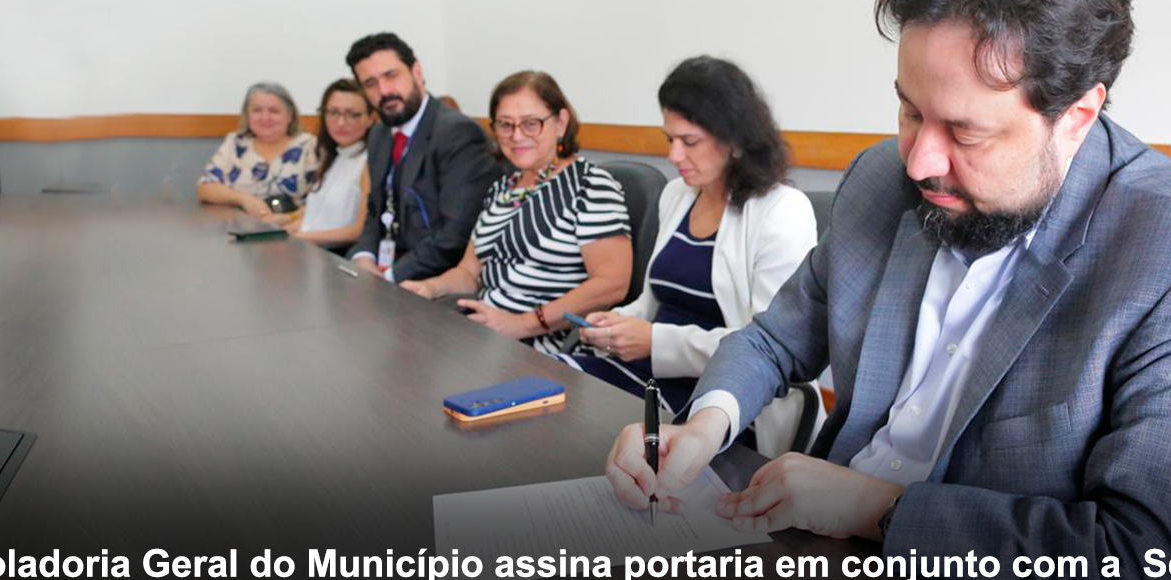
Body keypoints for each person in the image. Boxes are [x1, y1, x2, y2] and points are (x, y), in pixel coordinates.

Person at [605, 0, 1171, 580]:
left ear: (1077, 115)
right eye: (907, 111)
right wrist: (704, 425)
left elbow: (1152, 565)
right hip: (823, 565)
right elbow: (776, 339)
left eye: (965, 131)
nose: (919, 160)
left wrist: (876, 508)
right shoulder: (879, 178)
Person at [557, 57, 817, 456]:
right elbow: (652, 301)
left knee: (583, 428)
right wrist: (617, 323)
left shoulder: (782, 212)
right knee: (555, 387)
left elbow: (769, 347)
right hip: (649, 371)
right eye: (669, 140)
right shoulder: (676, 196)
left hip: (720, 400)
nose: (674, 156)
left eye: (689, 141)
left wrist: (654, 341)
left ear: (734, 139)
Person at [399, 71, 631, 353]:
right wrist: (430, 287)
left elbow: (612, 284)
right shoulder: (503, 187)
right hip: (483, 335)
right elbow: (469, 273)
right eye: (505, 125)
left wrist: (523, 324)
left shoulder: (590, 185)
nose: (517, 135)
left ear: (560, 122)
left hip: (546, 345)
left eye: (531, 124)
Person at [344, 32, 500, 283]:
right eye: (371, 84)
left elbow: (456, 235)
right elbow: (376, 211)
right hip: (387, 275)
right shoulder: (379, 134)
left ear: (416, 71)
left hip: (435, 283)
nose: (384, 91)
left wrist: (390, 278)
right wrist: (363, 257)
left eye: (391, 76)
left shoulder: (457, 133)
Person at [197, 82, 316, 225]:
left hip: (295, 232)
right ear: (247, 115)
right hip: (239, 231)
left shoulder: (309, 146)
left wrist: (285, 220)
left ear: (290, 116)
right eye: (257, 110)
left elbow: (325, 201)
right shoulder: (235, 143)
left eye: (274, 111)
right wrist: (244, 199)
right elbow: (205, 188)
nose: (265, 117)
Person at [286, 79, 375, 248]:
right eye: (333, 112)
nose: (340, 122)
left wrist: (299, 239)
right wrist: (279, 232)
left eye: (352, 114)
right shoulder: (334, 155)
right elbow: (314, 219)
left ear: (371, 117)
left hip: (337, 256)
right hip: (310, 250)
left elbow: (361, 230)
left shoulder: (369, 161)